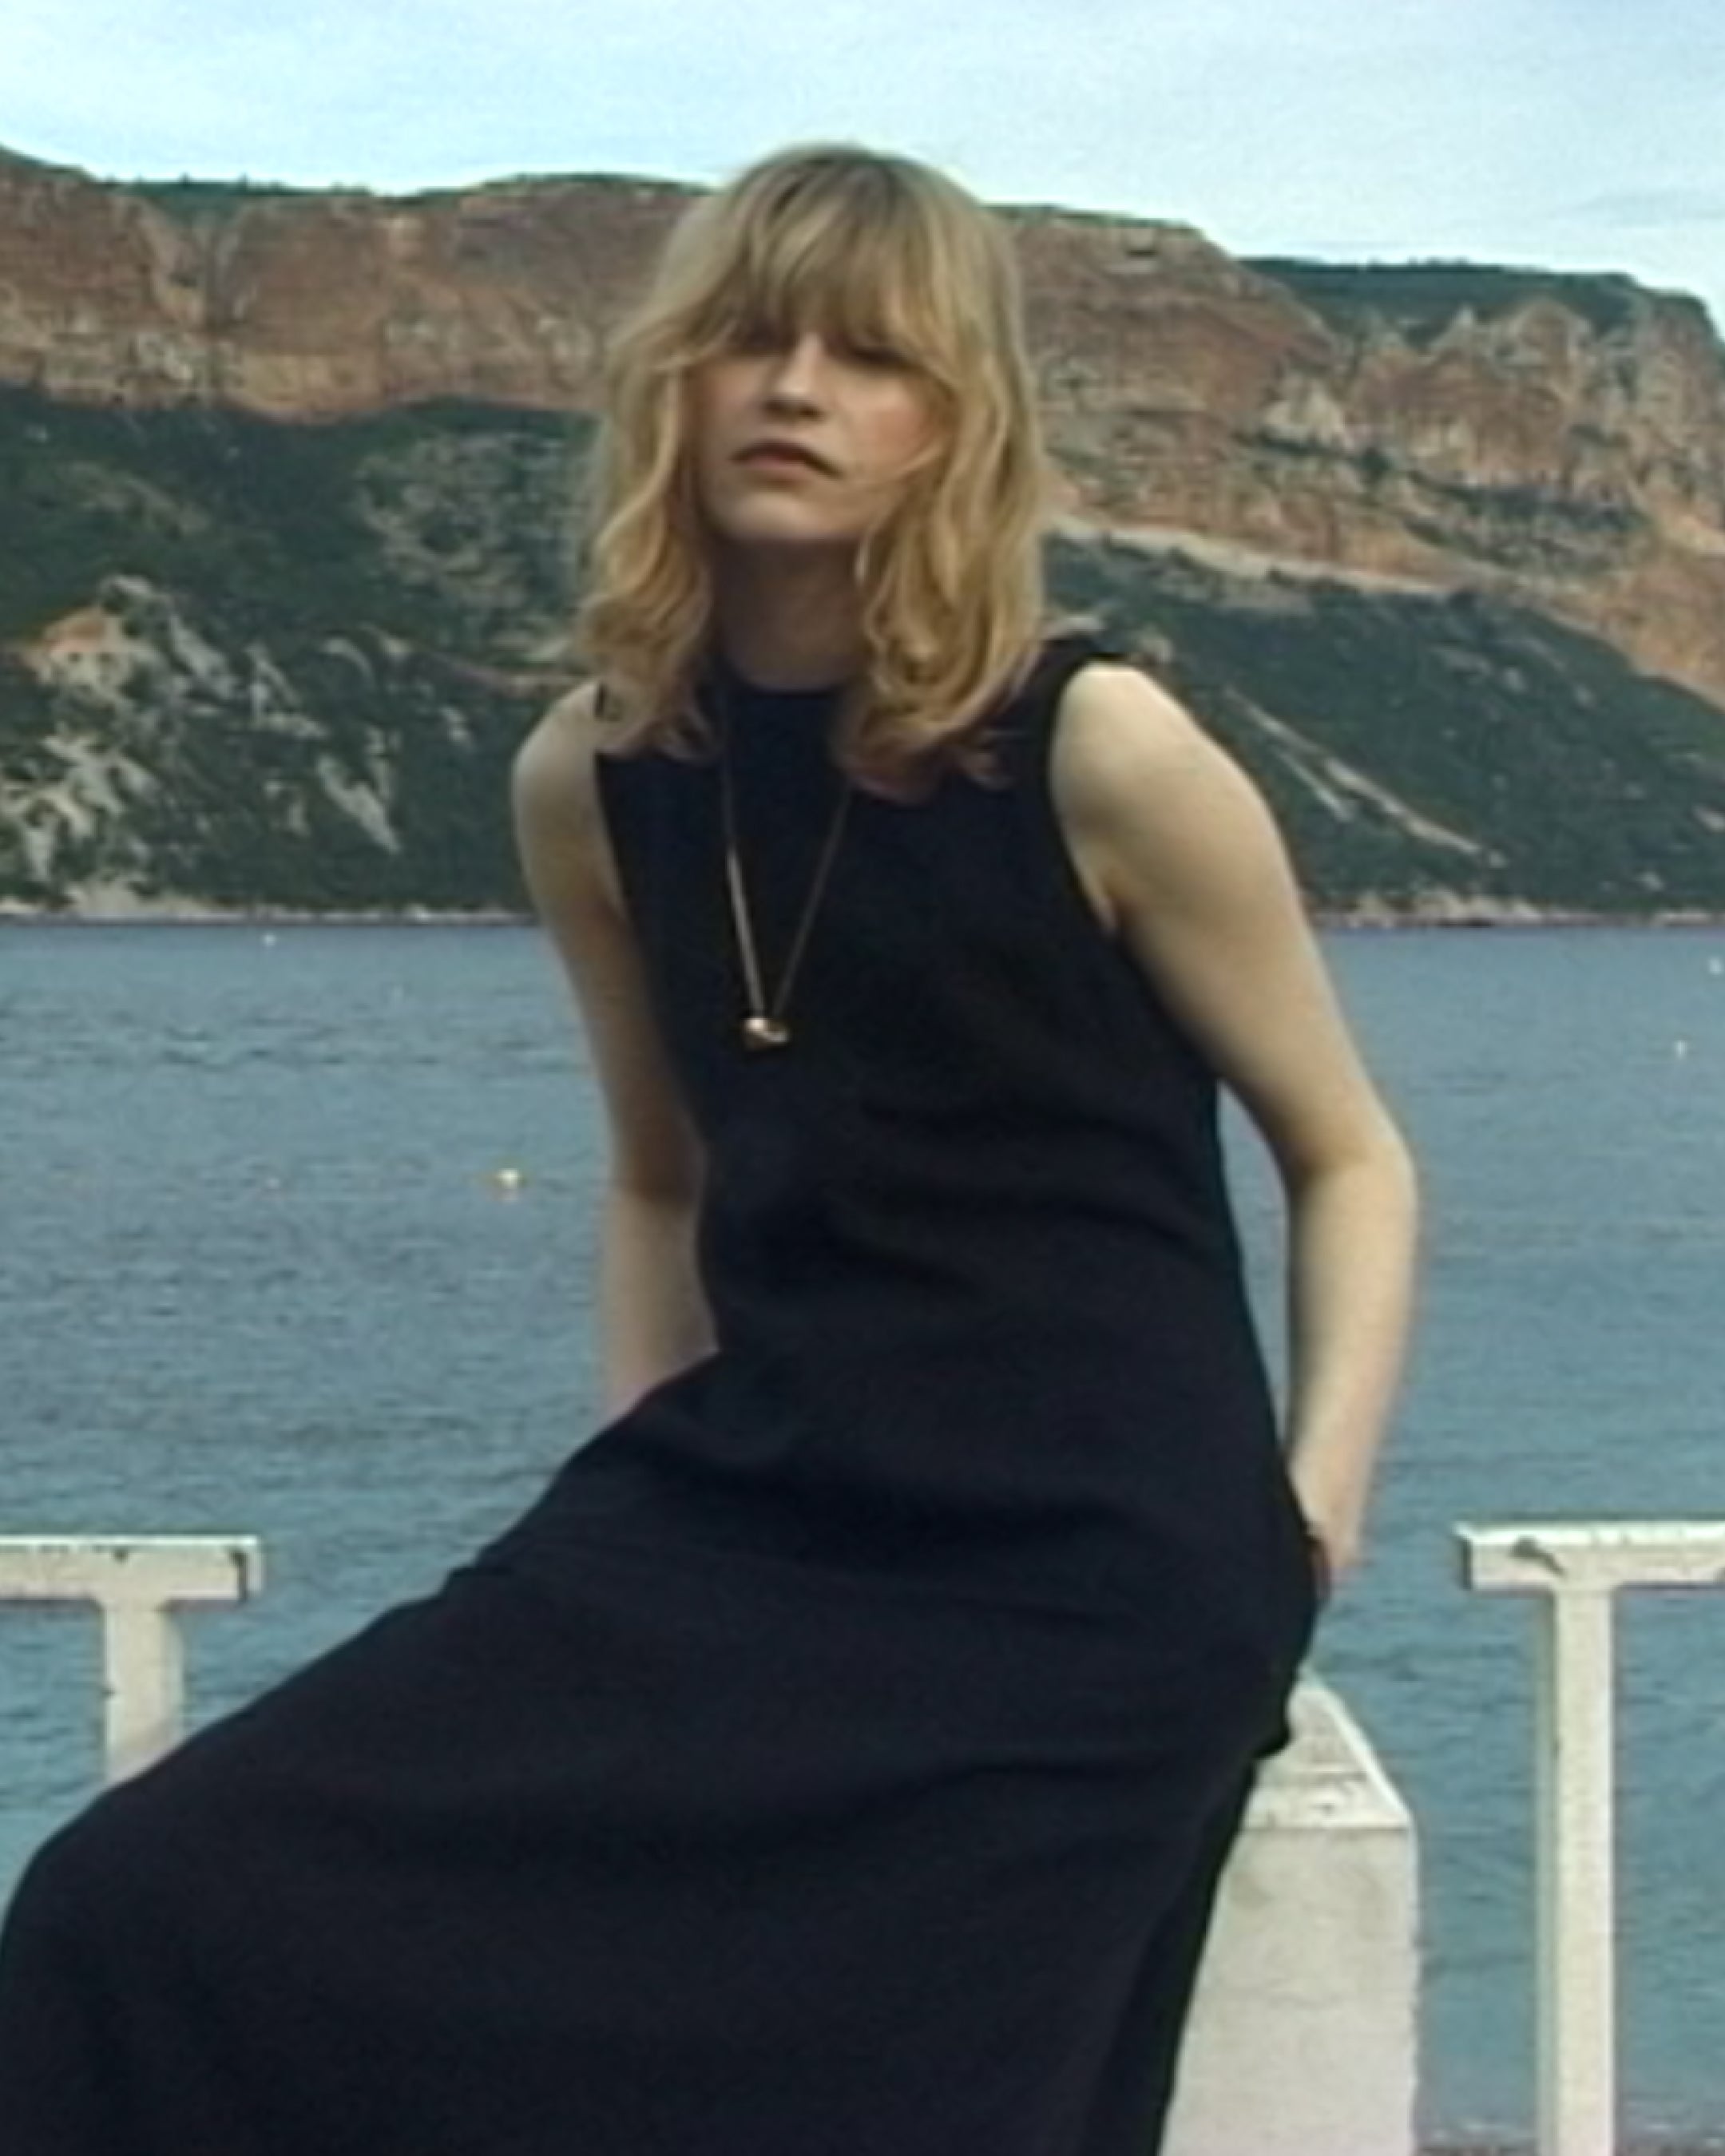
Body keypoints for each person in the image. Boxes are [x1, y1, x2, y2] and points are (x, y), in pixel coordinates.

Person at [0, 142, 1418, 2154]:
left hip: (1100, 1569)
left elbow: (1350, 1156)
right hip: (750, 1501)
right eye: (753, 338)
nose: (798, 389)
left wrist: (1308, 1516)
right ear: (674, 379)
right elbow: (661, 1177)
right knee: (134, 1903)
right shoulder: (590, 777)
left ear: (960, 420)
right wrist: (630, 1509)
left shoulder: (1096, 749)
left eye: (872, 354)